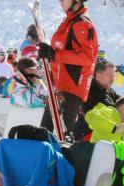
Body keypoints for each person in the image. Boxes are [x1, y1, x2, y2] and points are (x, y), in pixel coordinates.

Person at [37, 0, 99, 137]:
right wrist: (48, 52)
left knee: (62, 139)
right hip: (60, 87)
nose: (60, 1)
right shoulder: (69, 21)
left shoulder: (81, 23)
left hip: (71, 89)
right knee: (44, 134)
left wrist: (55, 54)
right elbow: (63, 50)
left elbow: (86, 58)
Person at [73, 58, 119, 141]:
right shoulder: (91, 90)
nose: (113, 79)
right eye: (110, 75)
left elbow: (121, 101)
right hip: (86, 135)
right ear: (98, 75)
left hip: (100, 134)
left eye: (114, 75)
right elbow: (110, 108)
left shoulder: (108, 89)